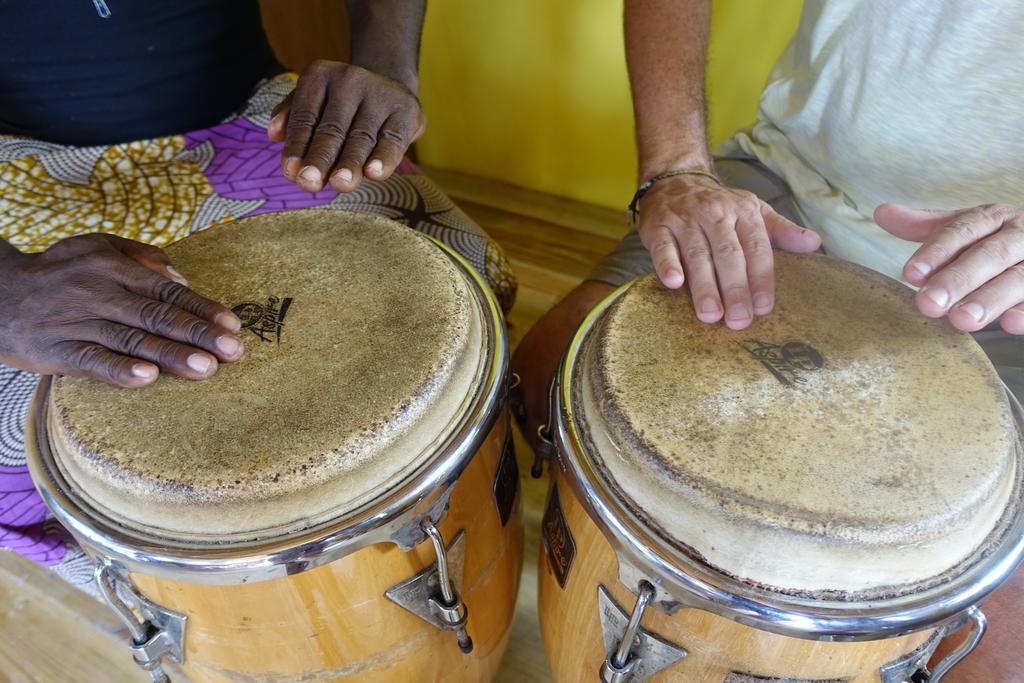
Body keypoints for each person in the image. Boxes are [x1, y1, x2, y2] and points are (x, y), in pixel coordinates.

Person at [513, 1, 1022, 679]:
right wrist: (675, 168)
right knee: (546, 372)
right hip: (791, 186)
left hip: (999, 282)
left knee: (996, 658)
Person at [0, 1, 515, 591]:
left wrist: (386, 66)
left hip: (253, 118)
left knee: (458, 267)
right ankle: (190, 612)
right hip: (23, 164)